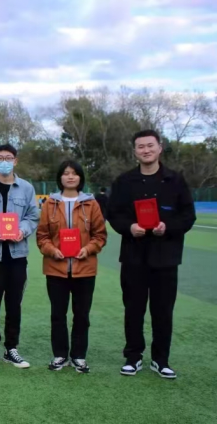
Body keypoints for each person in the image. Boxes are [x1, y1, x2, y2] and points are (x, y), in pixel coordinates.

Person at [108, 129, 196, 379]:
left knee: (163, 311)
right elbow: (114, 214)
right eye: (140, 146)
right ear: (134, 151)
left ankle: (161, 359)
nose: (145, 150)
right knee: (133, 309)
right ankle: (133, 357)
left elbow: (188, 216)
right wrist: (129, 227)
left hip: (165, 258)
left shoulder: (175, 180)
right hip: (133, 257)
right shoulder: (124, 181)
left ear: (159, 147)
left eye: (150, 145)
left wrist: (168, 227)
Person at [36, 160, 107, 373]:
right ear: (60, 177)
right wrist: (52, 250)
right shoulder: (49, 204)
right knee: (58, 315)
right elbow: (42, 236)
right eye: (66, 173)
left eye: (74, 173)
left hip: (84, 270)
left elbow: (100, 235)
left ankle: (78, 356)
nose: (70, 177)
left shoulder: (91, 204)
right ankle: (59, 355)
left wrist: (88, 249)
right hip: (55, 269)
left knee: (82, 315)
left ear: (80, 178)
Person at [0, 144, 40, 369]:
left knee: (14, 304)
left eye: (8, 158)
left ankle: (11, 348)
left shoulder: (26, 188)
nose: (4, 162)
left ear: (15, 161)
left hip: (17, 255)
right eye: (0, 158)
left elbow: (33, 216)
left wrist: (22, 230)